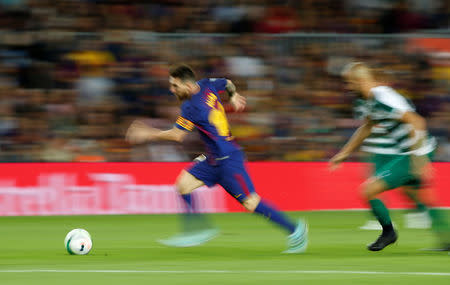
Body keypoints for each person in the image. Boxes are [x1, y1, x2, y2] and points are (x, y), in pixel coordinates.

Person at [126, 64, 307, 253]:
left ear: (187, 86)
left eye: (175, 86)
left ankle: (295, 231)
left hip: (229, 159)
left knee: (251, 202)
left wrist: (148, 133)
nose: (172, 90)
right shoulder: (206, 85)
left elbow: (177, 136)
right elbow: (227, 82)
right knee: (183, 185)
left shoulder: (191, 107)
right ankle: (196, 230)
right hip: (213, 159)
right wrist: (233, 95)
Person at [329, 62, 449, 251]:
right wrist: (344, 153)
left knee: (368, 191)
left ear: (361, 81)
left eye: (350, 83)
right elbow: (367, 126)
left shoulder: (382, 98)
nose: (348, 87)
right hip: (410, 151)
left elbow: (417, 121)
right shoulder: (366, 101)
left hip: (415, 151)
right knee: (417, 196)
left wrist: (420, 160)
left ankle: (388, 233)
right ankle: (447, 239)